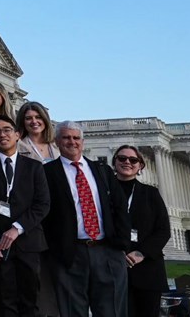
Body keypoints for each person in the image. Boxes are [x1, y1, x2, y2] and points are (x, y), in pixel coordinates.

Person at [42, 122, 131, 317]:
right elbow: (43, 212)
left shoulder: (102, 170)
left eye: (76, 138)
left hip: (107, 249)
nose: (71, 142)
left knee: (112, 310)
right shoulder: (47, 173)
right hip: (70, 252)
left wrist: (121, 243)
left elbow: (120, 207)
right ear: (56, 141)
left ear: (82, 142)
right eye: (66, 137)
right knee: (72, 310)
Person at [0, 115, 51, 317]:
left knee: (30, 299)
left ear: (17, 135)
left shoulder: (34, 167)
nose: (2, 134)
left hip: (28, 241)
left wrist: (17, 228)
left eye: (6, 130)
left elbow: (42, 204)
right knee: (5, 300)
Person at [112, 145, 170, 317]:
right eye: (122, 158)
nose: (127, 162)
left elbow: (163, 230)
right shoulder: (103, 192)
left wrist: (141, 253)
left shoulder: (150, 193)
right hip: (114, 266)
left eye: (133, 160)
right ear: (114, 162)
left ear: (140, 166)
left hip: (147, 269)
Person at [15, 100, 60, 317]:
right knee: (36, 271)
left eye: (37, 117)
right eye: (29, 118)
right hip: (34, 212)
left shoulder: (57, 146)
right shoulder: (19, 146)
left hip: (59, 212)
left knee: (56, 268)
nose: (34, 122)